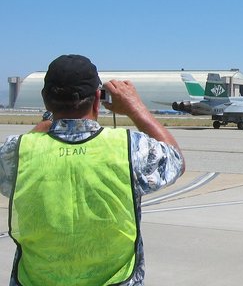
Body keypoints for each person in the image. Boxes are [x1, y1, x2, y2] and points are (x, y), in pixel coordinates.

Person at [0, 54, 185, 286]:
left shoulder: (16, 151)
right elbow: (175, 160)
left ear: (45, 100)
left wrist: (50, 122)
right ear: (98, 98)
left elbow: (16, 158)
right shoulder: (130, 147)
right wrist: (135, 108)